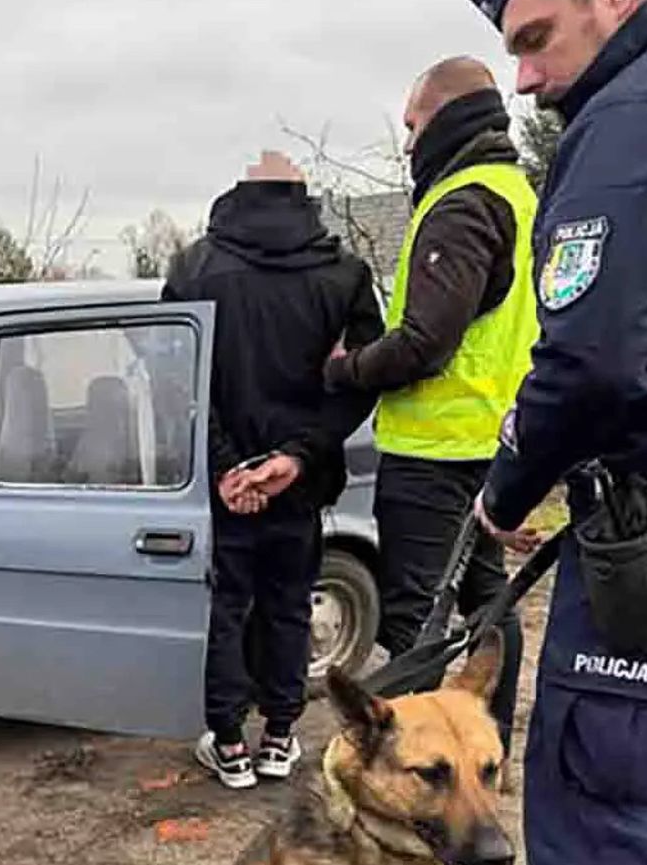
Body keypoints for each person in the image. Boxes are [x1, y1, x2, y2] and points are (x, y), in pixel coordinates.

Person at [462, 0, 647, 860]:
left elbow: (587, 362)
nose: (525, 78)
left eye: (534, 38)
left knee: (605, 817)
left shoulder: (639, 111)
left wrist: (503, 492)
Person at [323, 56, 538, 758]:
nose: (409, 143)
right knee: (489, 602)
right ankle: (485, 748)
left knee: (418, 613)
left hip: (436, 449)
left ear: (446, 117)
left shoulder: (461, 203)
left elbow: (423, 343)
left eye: (414, 125)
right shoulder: (516, 191)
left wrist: (346, 367)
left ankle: (414, 766)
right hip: (490, 439)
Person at [163, 150, 383, 789]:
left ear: (237, 192)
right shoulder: (343, 274)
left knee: (228, 606)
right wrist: (295, 458)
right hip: (302, 480)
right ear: (303, 196)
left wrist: (230, 465)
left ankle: (230, 746)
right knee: (290, 605)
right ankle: (280, 738)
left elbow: (170, 374)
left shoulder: (194, 266)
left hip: (219, 482)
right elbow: (360, 383)